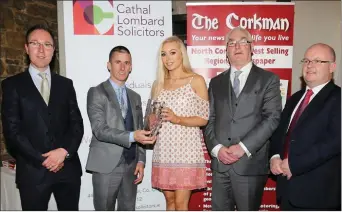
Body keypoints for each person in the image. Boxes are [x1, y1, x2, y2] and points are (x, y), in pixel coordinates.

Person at [1, 24, 84, 210]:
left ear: (53, 50)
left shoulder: (66, 85)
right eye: (35, 43)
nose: (41, 50)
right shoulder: (12, 86)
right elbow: (13, 132)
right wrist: (44, 159)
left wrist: (64, 152)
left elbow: (77, 124)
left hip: (68, 170)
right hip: (33, 173)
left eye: (47, 44)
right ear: (26, 48)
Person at [204, 26, 282, 211]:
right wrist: (216, 148)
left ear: (251, 47)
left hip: (250, 165)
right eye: (231, 43)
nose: (237, 46)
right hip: (220, 165)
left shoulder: (268, 79)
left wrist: (243, 148)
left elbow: (272, 118)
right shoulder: (216, 82)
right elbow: (209, 119)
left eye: (242, 42)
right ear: (226, 50)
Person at [270, 43, 341, 210]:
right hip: (287, 190)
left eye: (317, 61)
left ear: (332, 67)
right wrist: (274, 157)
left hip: (318, 195)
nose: (309, 65)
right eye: (307, 60)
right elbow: (280, 133)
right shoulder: (295, 98)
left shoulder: (338, 98)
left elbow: (334, 143)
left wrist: (294, 164)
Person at [85, 46, 155, 211]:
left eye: (126, 63)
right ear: (109, 65)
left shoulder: (135, 97)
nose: (122, 67)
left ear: (131, 67)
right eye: (118, 62)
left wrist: (141, 160)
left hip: (131, 165)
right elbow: (99, 129)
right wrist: (132, 136)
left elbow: (139, 129)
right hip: (106, 165)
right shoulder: (96, 92)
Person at [150, 36, 209, 211]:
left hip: (186, 151)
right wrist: (150, 120)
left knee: (182, 204)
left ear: (182, 54)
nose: (168, 58)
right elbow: (152, 116)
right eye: (163, 54)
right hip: (163, 149)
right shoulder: (157, 84)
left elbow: (204, 118)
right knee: (169, 202)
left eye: (173, 53)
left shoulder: (195, 80)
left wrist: (177, 119)